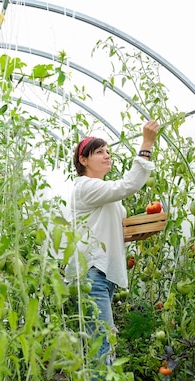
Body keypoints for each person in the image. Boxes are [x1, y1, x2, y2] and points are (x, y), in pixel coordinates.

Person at [67, 120, 160, 368]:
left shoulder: (104, 195)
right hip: (92, 275)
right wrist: (146, 144)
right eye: (99, 151)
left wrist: (134, 234)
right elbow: (128, 185)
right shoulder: (86, 186)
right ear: (83, 160)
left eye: (108, 151)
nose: (106, 155)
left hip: (101, 276)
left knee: (103, 344)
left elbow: (104, 230)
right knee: (103, 348)